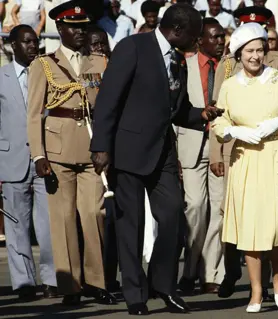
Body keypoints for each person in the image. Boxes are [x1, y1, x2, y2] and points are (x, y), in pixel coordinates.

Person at [90, 4, 223, 315]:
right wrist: (101, 146)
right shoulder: (133, 47)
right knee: (131, 226)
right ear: (177, 30)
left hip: (163, 152)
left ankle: (163, 285)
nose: (198, 40)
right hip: (127, 151)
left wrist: (199, 115)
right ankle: (135, 294)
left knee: (175, 216)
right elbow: (109, 97)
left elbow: (177, 109)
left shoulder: (178, 58)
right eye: (195, 34)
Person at [212, 22, 278, 313]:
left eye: (260, 50)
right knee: (251, 227)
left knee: (276, 223)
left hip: (277, 154)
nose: (255, 56)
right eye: (249, 51)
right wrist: (234, 133)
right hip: (246, 159)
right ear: (238, 54)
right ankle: (255, 291)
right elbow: (219, 122)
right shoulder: (229, 85)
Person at [26, 0, 115, 306]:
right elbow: (35, 113)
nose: (79, 32)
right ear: (60, 29)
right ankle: (71, 286)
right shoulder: (43, 65)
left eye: (82, 27)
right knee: (63, 219)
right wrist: (38, 156)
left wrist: (106, 147)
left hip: (92, 150)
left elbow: (106, 109)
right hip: (58, 149)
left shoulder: (99, 63)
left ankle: (98, 281)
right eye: (73, 27)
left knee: (94, 215)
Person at [0, 24, 57, 301]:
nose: (33, 46)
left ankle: (52, 279)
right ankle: (23, 281)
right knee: (16, 225)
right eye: (27, 42)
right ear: (12, 45)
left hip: (44, 159)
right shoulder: (1, 77)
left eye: (35, 41)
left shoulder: (48, 74)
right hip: (11, 160)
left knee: (48, 225)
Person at [176, 17, 226, 295]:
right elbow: (176, 109)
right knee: (195, 208)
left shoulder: (230, 68)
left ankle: (211, 274)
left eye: (223, 37)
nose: (220, 42)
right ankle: (190, 269)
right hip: (191, 146)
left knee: (219, 210)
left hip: (222, 146)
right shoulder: (185, 65)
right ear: (200, 40)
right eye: (215, 37)